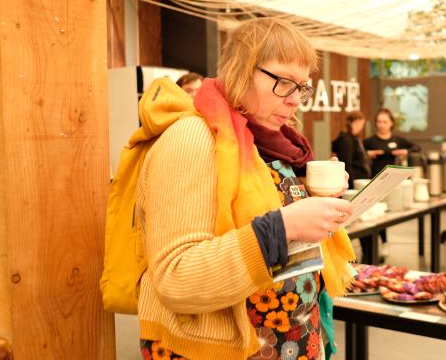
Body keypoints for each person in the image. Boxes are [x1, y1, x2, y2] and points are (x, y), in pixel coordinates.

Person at [136, 18, 356, 360]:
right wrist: (285, 227)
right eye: (283, 82)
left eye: (302, 87)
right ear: (241, 71)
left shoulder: (271, 144)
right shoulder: (192, 139)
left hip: (291, 342)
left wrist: (315, 203)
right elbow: (174, 277)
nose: (295, 100)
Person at [362, 108, 420, 261]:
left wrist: (404, 152)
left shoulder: (398, 139)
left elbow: (415, 147)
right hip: (375, 179)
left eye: (385, 122)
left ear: (391, 123)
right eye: (379, 122)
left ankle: (385, 242)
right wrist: (369, 154)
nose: (381, 125)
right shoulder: (370, 141)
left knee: (389, 211)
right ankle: (379, 242)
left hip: (393, 181)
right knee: (377, 212)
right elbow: (358, 153)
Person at [331, 111, 370, 189]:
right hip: (353, 184)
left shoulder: (352, 138)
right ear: (356, 122)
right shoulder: (346, 140)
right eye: (362, 124)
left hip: (357, 181)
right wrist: (351, 186)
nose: (362, 127)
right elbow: (347, 165)